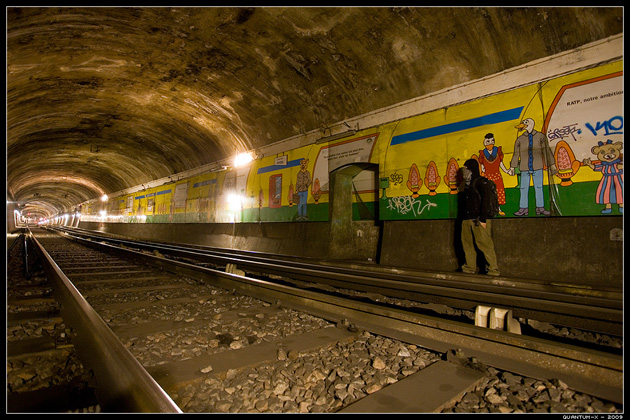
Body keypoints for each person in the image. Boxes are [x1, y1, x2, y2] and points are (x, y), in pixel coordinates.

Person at [459, 159, 500, 276]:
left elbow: (487, 201)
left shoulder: (481, 182)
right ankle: (469, 267)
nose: (464, 172)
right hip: (467, 219)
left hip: (478, 219)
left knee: (485, 244)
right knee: (467, 245)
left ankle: (493, 269)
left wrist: (483, 219)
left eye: (466, 169)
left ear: (471, 169)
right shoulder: (467, 186)